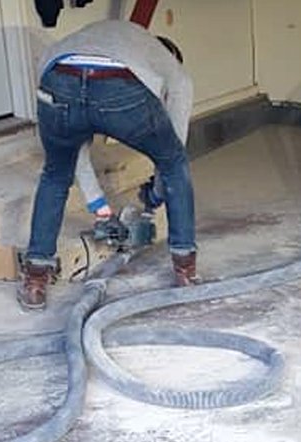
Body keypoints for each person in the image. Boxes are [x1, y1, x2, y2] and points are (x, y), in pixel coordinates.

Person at [18, 19, 197, 310]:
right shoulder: (169, 64)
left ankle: (35, 280)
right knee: (175, 163)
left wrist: (100, 208)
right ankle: (185, 271)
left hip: (56, 76)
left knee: (55, 174)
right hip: (117, 83)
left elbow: (76, 150)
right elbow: (173, 152)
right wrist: (158, 192)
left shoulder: (112, 33)